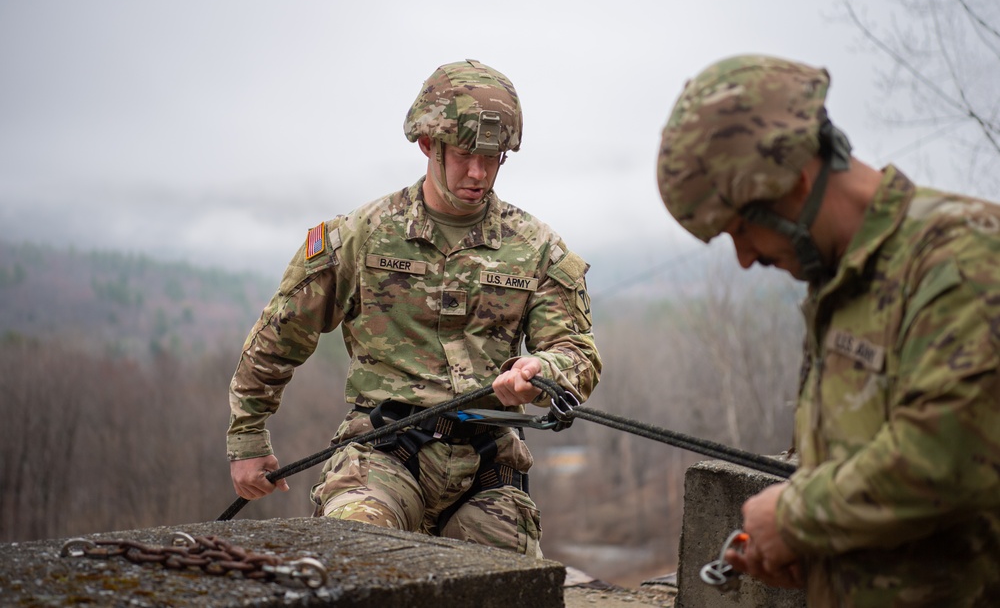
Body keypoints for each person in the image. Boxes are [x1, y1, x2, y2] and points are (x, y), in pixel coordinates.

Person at [656, 54, 1000, 605]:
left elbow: (948, 459)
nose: (745, 258)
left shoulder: (964, 259)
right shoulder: (842, 283)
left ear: (796, 180)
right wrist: (816, 555)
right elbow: (872, 481)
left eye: (742, 228)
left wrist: (792, 517)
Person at [227, 59, 601, 557]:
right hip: (382, 456)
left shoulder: (537, 248)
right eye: (466, 154)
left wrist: (543, 369)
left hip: (486, 472)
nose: (478, 172)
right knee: (353, 558)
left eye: (493, 158)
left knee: (511, 586)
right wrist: (248, 440)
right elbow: (279, 336)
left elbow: (576, 351)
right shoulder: (362, 236)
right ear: (429, 145)